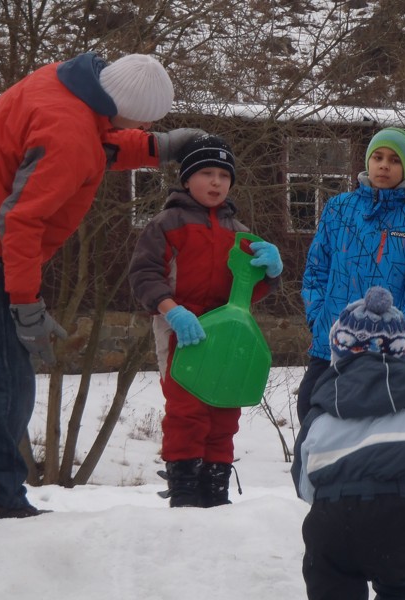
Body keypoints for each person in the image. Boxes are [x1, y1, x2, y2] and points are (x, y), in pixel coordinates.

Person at [0, 51, 205, 521]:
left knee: (2, 380)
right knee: (9, 383)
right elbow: (21, 221)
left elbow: (101, 140)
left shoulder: (60, 82)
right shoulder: (69, 132)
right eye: (141, 121)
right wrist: (26, 304)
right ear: (125, 109)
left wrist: (159, 146)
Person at [129, 134, 283, 508]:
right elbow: (144, 275)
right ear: (186, 179)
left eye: (224, 175)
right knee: (187, 411)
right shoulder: (166, 224)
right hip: (182, 329)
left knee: (224, 411)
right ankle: (184, 492)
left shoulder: (240, 233)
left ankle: (216, 492)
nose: (216, 182)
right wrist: (171, 309)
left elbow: (249, 291)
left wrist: (270, 273)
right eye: (207, 173)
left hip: (228, 334)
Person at [292, 286, 405, 600]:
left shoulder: (320, 409)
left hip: (327, 522)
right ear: (399, 350)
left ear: (339, 350)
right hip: (393, 516)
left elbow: (304, 483)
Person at [298, 127, 405, 423]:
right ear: (367, 161)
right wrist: (318, 317)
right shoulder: (338, 209)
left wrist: (401, 330)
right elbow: (316, 270)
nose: (384, 165)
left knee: (374, 428)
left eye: (394, 160)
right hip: (330, 342)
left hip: (385, 352)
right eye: (378, 157)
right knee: (312, 415)